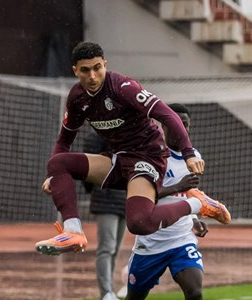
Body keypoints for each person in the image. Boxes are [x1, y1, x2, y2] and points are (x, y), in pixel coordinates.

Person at [35, 41, 230, 256]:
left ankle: (197, 203)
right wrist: (53, 176)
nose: (92, 76)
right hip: (118, 158)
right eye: (85, 70)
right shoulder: (77, 98)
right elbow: (64, 140)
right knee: (57, 163)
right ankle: (73, 232)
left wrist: (188, 153)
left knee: (139, 223)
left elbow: (168, 115)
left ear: (105, 65)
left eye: (97, 68)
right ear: (75, 71)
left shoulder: (123, 87)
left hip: (147, 156)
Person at [103, 103, 213, 300]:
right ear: (164, 126)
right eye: (178, 123)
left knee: (195, 292)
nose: (183, 129)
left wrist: (195, 218)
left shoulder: (193, 157)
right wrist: (176, 188)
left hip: (180, 239)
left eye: (186, 124)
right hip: (151, 244)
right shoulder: (149, 157)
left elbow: (190, 193)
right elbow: (142, 196)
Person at [91, 184, 127, 300]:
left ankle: (109, 292)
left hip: (124, 203)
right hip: (106, 203)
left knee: (114, 250)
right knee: (106, 248)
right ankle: (105, 294)